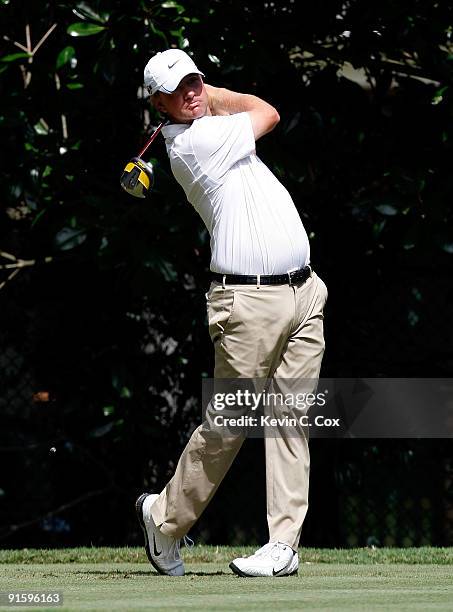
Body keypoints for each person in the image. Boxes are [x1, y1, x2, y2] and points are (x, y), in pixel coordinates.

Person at [135, 48, 328, 578]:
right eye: (180, 89)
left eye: (196, 81)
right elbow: (267, 112)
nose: (193, 92)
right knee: (231, 422)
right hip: (246, 304)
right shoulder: (194, 143)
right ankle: (164, 517)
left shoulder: (213, 133)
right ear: (160, 102)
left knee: (292, 420)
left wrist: (204, 96)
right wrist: (217, 96)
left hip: (305, 291)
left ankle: (283, 544)